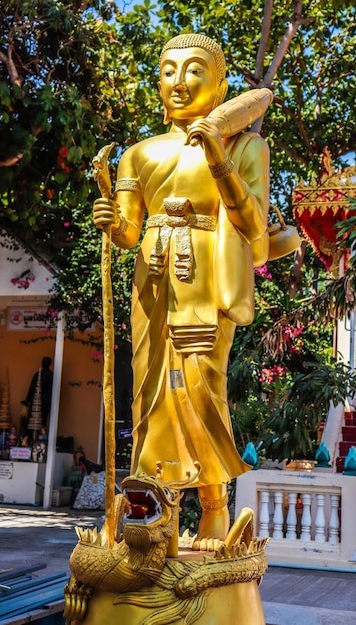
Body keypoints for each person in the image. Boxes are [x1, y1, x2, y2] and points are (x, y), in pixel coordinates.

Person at [93, 33, 270, 551]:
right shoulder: (138, 153)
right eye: (168, 70)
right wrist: (113, 222)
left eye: (193, 69)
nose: (177, 81)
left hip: (205, 274)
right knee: (149, 391)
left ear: (219, 84)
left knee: (199, 386)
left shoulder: (244, 145)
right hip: (151, 274)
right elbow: (129, 230)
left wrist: (217, 155)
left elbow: (253, 224)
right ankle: (153, 507)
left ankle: (214, 505)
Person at [22, 357, 53, 426]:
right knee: (40, 420)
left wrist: (28, 400)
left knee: (38, 420)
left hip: (41, 401)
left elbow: (32, 388)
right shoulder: (42, 374)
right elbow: (32, 387)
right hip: (40, 401)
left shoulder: (48, 375)